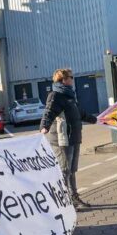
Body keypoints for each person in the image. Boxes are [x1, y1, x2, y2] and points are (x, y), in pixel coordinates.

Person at [39, 69, 97, 210]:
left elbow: (79, 113)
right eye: (71, 77)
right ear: (63, 79)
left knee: (71, 170)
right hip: (62, 139)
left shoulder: (69, 95)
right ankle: (64, 202)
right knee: (64, 170)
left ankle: (74, 198)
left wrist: (94, 119)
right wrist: (44, 126)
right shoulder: (56, 95)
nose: (72, 79)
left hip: (74, 137)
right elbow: (48, 112)